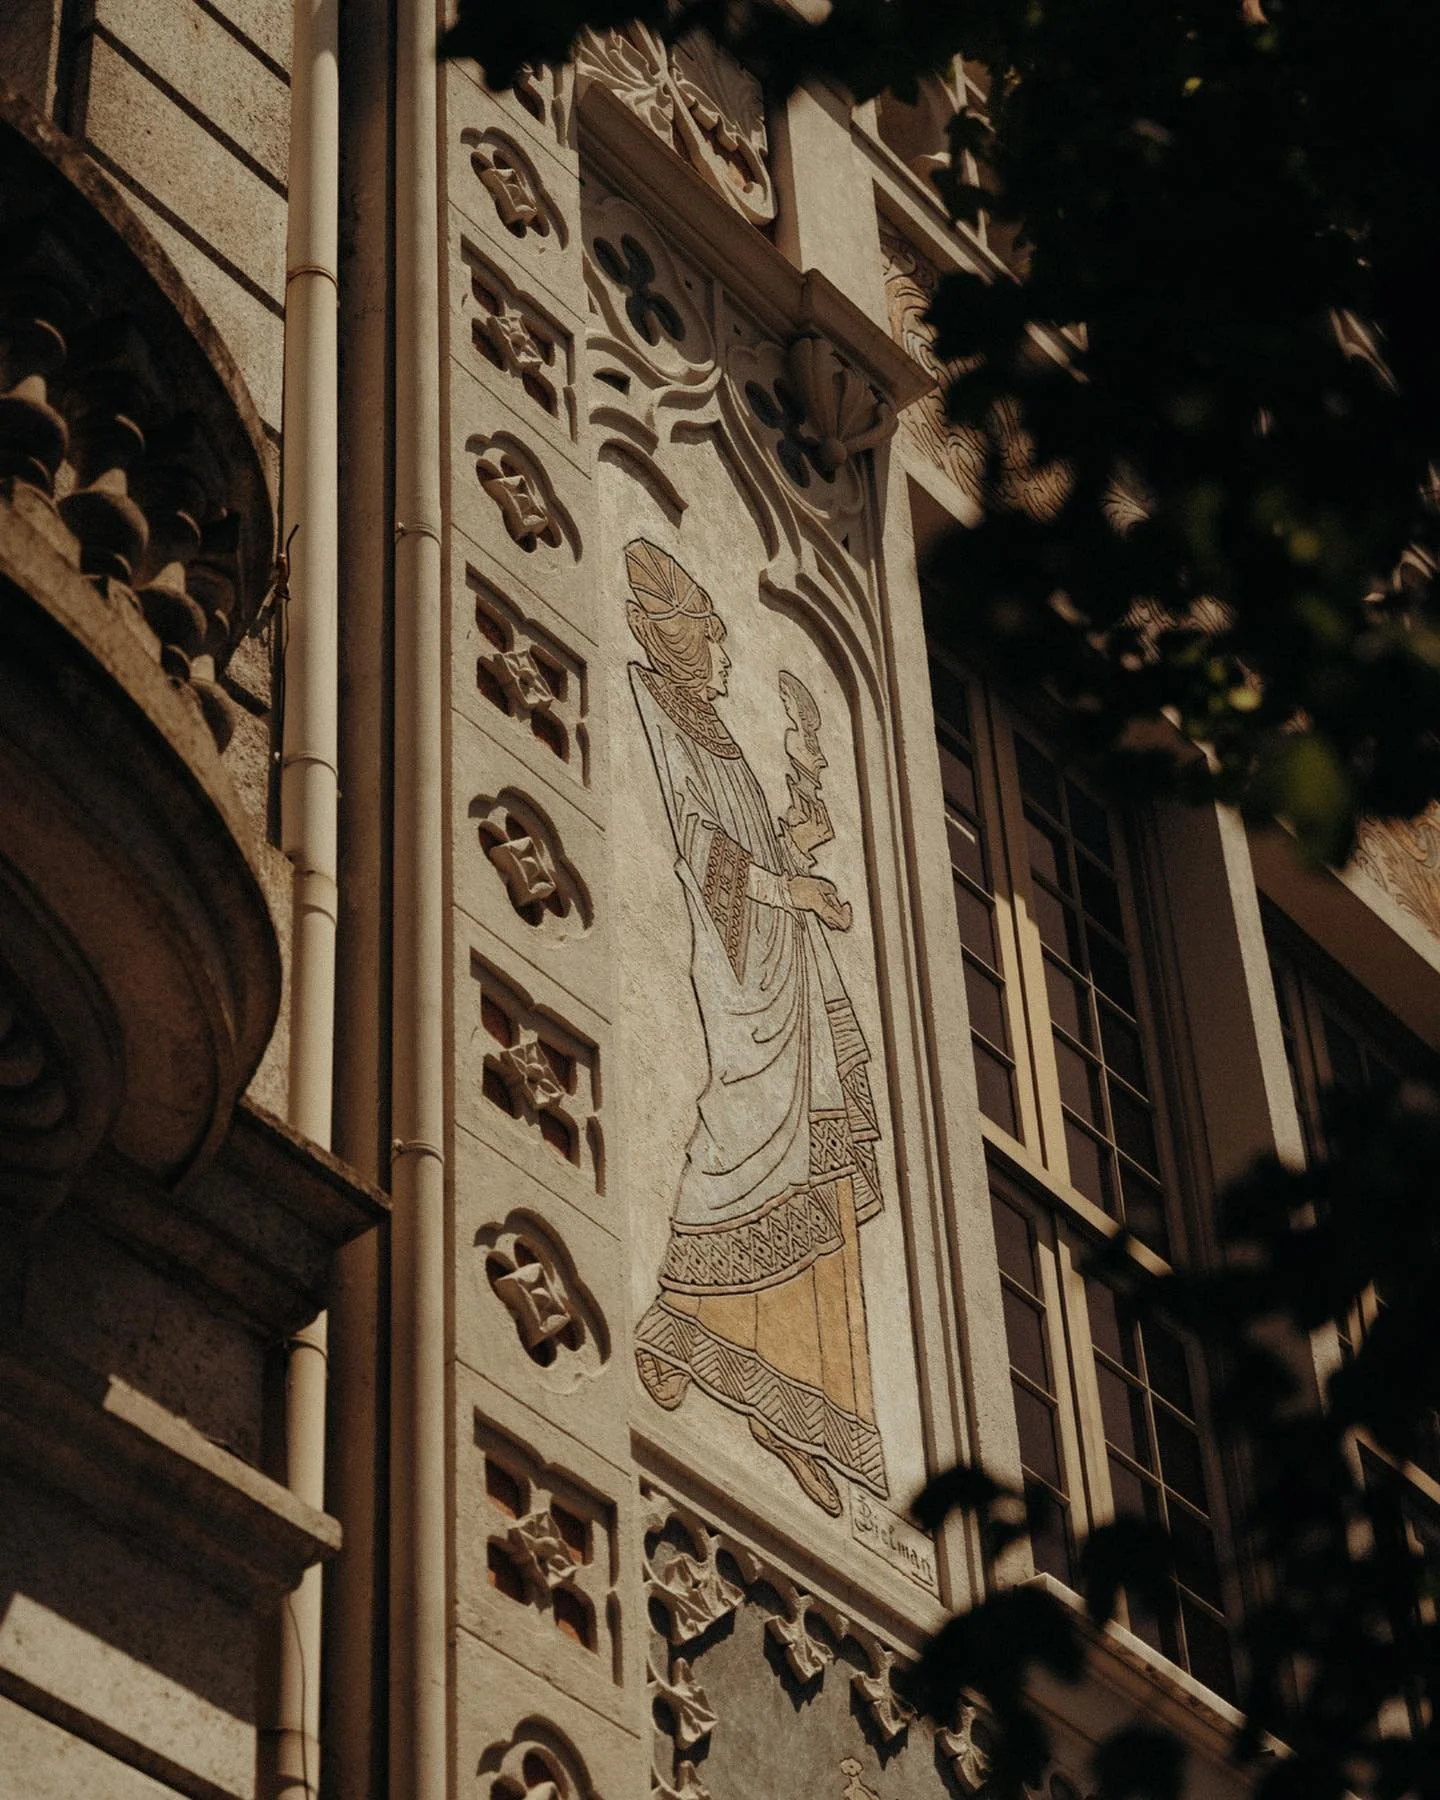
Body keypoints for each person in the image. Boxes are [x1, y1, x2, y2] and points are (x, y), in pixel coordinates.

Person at [625, 537, 889, 1516]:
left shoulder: (723, 734)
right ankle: (673, 1328)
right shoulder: (657, 711)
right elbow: (709, 858)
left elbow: (761, 840)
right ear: (680, 645)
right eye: (716, 642)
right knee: (737, 1145)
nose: (728, 658)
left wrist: (809, 809)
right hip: (743, 980)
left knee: (817, 1186)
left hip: (790, 976)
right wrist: (795, 889)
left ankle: (804, 1413)